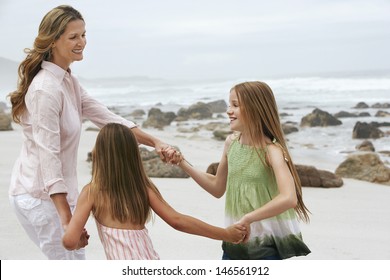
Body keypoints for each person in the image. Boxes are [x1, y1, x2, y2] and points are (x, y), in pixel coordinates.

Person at [7, 5, 170, 260]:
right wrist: (66, 220)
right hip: (41, 197)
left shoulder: (68, 81)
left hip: (60, 194)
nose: (81, 42)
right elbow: (48, 159)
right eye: (73, 37)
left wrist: (155, 142)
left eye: (83, 35)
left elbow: (106, 117)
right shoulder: (45, 90)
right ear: (53, 41)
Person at [62, 123, 247, 259]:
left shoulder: (91, 192)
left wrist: (80, 240)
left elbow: (69, 241)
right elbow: (178, 221)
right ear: (132, 154)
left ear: (99, 154)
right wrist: (226, 234)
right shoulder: (142, 187)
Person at [170, 81, 311, 260]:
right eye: (229, 105)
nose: (229, 111)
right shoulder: (231, 143)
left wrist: (248, 218)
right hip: (234, 245)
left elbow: (289, 198)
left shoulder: (272, 151)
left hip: (265, 249)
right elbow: (216, 187)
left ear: (255, 109)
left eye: (235, 105)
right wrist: (182, 163)